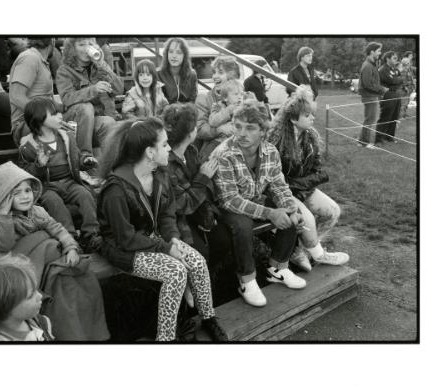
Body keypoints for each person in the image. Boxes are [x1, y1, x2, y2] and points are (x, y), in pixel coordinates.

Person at [97, 118, 227, 342]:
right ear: (149, 151)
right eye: (165, 144)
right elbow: (125, 239)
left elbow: (167, 214)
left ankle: (208, 318)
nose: (169, 148)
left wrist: (174, 239)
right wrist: (166, 248)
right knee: (175, 272)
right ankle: (165, 338)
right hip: (123, 249)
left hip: (152, 239)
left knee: (196, 262)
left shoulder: (159, 174)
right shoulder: (116, 189)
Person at [0, 161, 108, 340]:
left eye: (27, 190)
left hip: (52, 263)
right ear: (3, 198)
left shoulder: (38, 211)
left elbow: (58, 229)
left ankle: (89, 334)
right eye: (16, 193)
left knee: (85, 284)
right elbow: (3, 247)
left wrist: (71, 247)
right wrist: (4, 214)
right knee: (62, 296)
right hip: (23, 268)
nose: (25, 197)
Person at [212, 100, 306, 307]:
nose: (241, 133)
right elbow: (229, 200)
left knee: (290, 209)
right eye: (237, 126)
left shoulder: (270, 151)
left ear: (263, 131)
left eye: (250, 128)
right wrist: (269, 213)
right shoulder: (224, 154)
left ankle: (278, 268)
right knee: (243, 225)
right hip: (224, 206)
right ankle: (247, 280)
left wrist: (290, 209)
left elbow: (279, 185)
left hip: (253, 199)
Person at [268, 88, 349, 272]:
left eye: (312, 113)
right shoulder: (277, 141)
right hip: (282, 192)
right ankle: (318, 254)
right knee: (309, 220)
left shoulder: (310, 136)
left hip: (301, 188)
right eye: (307, 115)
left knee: (333, 211)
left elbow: (319, 171)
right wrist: (297, 185)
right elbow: (277, 180)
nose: (312, 118)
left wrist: (301, 185)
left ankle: (303, 249)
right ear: (293, 118)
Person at [18, 97, 103, 253]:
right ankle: (70, 238)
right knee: (54, 202)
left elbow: (76, 158)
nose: (60, 116)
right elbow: (25, 174)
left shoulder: (66, 137)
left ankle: (90, 234)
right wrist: (39, 165)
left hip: (69, 182)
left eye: (59, 113)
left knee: (85, 195)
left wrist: (86, 161)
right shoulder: (28, 145)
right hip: (47, 186)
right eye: (54, 114)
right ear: (39, 119)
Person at [163, 103, 232, 259]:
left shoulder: (190, 151)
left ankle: (215, 276)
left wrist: (206, 174)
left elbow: (207, 182)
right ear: (189, 134)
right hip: (177, 220)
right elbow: (182, 206)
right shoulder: (167, 162)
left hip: (200, 209)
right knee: (201, 253)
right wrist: (203, 178)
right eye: (195, 128)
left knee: (224, 240)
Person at [56, 37, 123, 161]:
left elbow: (119, 90)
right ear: (72, 49)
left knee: (108, 122)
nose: (87, 48)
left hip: (96, 121)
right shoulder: (64, 71)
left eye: (90, 44)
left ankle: (111, 166)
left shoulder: (99, 66)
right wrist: (93, 89)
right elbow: (67, 98)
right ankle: (84, 158)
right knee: (86, 107)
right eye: (82, 45)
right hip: (75, 122)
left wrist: (102, 64)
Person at [0, 254, 54, 341]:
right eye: (31, 295)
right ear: (5, 307)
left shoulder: (41, 322)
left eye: (36, 289)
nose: (40, 296)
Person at [9, 37, 65, 145]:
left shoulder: (38, 59)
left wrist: (66, 106)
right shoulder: (30, 58)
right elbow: (16, 96)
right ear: (52, 41)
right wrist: (45, 117)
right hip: (27, 124)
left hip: (42, 121)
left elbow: (43, 102)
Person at [196, 56, 240, 154]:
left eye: (220, 72)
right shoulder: (205, 99)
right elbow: (200, 130)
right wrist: (219, 129)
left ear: (232, 76)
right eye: (214, 72)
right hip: (214, 148)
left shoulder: (243, 96)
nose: (214, 76)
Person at [200, 80, 246, 161]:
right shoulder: (218, 106)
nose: (239, 97)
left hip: (236, 142)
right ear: (225, 98)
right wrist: (228, 110)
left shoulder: (244, 108)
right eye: (236, 94)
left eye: (241, 94)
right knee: (208, 154)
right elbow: (213, 122)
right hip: (219, 140)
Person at [358, 42, 388, 148]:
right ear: (372, 52)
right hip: (369, 96)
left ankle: (362, 141)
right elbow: (368, 84)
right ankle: (364, 142)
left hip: (372, 96)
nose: (380, 53)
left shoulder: (371, 64)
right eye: (378, 51)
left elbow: (373, 82)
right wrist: (382, 89)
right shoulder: (367, 65)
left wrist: (379, 90)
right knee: (370, 119)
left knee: (370, 119)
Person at [374, 51, 404, 145]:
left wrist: (397, 79)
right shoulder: (383, 69)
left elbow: (400, 79)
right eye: (394, 58)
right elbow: (392, 80)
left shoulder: (394, 69)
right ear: (387, 59)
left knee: (394, 116)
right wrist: (397, 79)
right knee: (385, 117)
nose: (396, 60)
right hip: (388, 94)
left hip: (396, 94)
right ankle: (378, 139)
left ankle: (389, 136)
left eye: (396, 58)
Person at [158, 37, 198, 104]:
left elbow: (192, 101)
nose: (174, 56)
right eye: (171, 52)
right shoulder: (158, 74)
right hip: (166, 113)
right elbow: (159, 103)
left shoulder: (192, 74)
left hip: (186, 112)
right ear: (166, 54)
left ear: (184, 56)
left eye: (179, 52)